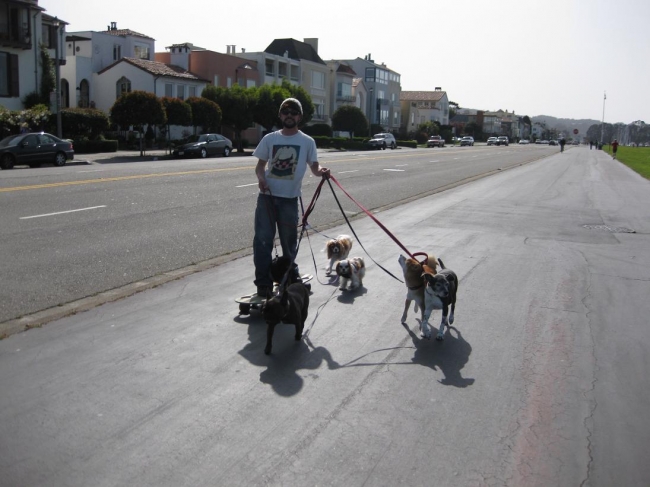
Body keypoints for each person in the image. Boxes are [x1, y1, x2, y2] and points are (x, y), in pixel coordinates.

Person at [252, 98, 330, 297]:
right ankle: (263, 284)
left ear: (300, 117)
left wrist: (322, 171)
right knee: (262, 241)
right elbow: (260, 166)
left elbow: (314, 166)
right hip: (267, 199)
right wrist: (261, 178)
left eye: (294, 112)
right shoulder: (270, 139)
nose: (289, 115)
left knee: (289, 244)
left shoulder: (307, 142)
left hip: (289, 200)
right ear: (280, 115)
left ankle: (287, 279)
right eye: (285, 111)